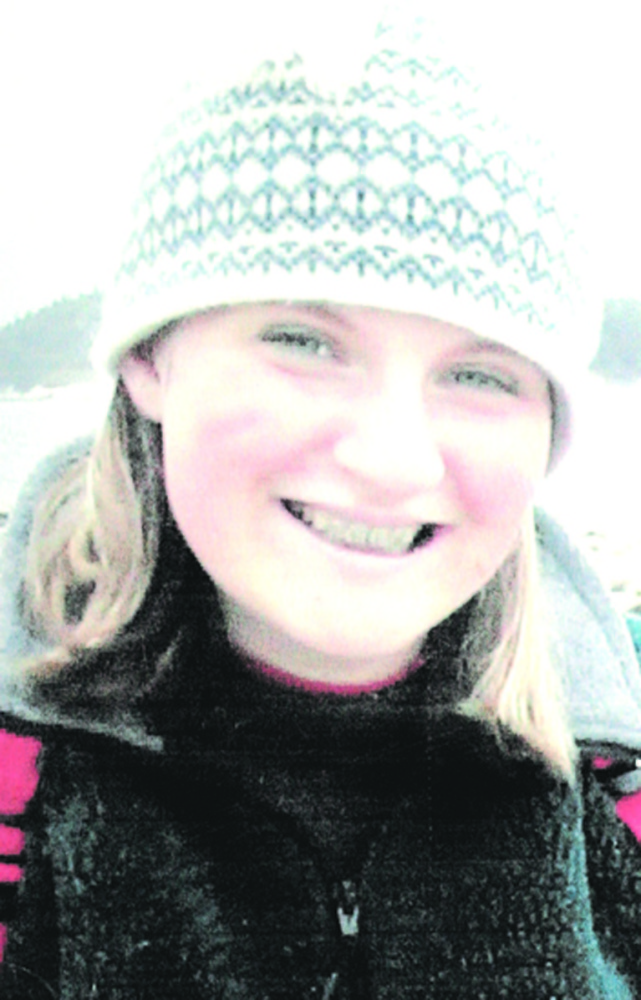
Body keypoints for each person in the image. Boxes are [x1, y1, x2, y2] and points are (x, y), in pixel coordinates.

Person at [1, 24, 641, 999]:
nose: (389, 460)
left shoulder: (616, 781)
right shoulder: (19, 788)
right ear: (148, 359)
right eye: (303, 339)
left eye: (477, 372)